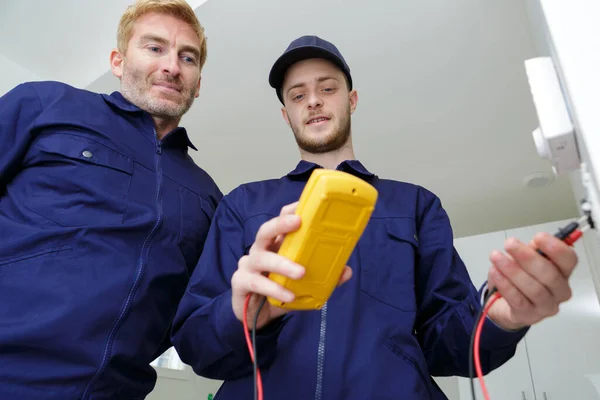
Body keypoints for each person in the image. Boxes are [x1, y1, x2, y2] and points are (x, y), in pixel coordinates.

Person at [171, 36, 579, 399]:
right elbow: (197, 345)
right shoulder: (243, 205)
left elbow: (447, 342)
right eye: (297, 95)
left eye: (327, 88)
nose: (312, 100)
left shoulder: (416, 206)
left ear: (351, 100)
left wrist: (501, 320)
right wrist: (239, 314)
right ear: (286, 115)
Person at [0, 1, 221, 399]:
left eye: (187, 57)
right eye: (154, 48)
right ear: (118, 61)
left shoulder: (209, 196)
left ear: (198, 82)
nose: (172, 66)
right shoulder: (45, 106)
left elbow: (196, 324)